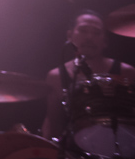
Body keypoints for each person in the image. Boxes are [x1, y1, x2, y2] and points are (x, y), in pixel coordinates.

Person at [41, 10, 135, 142]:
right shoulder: (56, 77)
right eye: (83, 30)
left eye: (96, 33)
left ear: (105, 41)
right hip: (76, 150)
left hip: (123, 147)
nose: (89, 37)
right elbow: (53, 124)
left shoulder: (127, 72)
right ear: (69, 35)